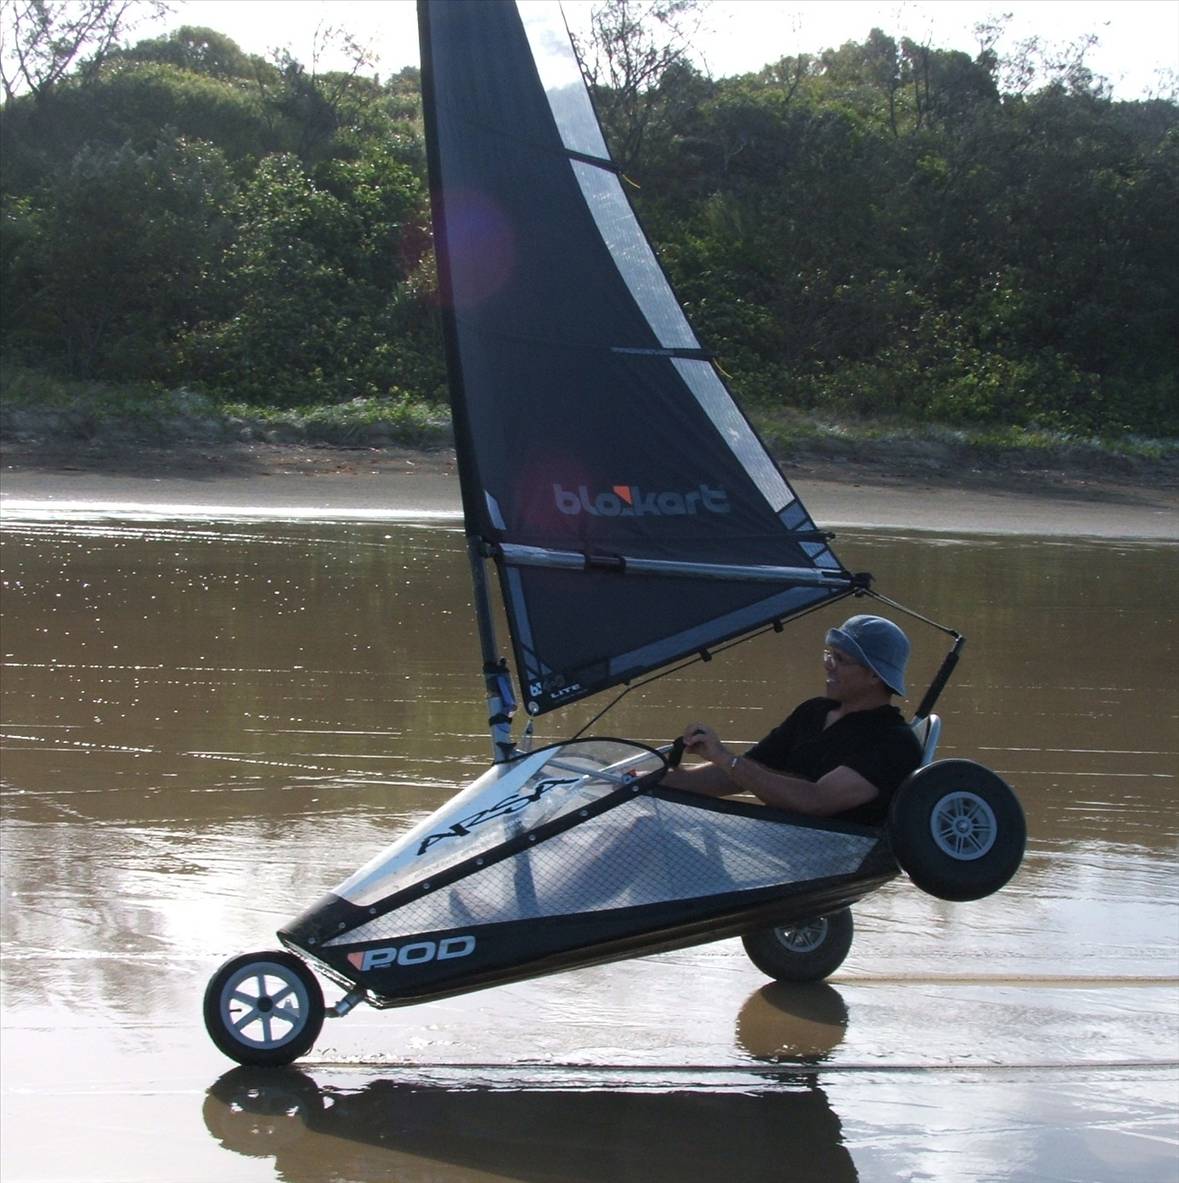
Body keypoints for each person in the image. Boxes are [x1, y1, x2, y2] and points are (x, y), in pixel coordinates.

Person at [662, 614, 922, 826]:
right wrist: (635, 780)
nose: (828, 665)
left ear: (875, 676)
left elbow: (815, 800)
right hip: (774, 843)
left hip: (826, 863)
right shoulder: (813, 711)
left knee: (648, 828)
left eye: (840, 659)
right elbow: (735, 776)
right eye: (829, 655)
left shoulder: (893, 743)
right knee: (646, 821)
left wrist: (724, 758)